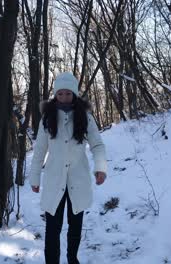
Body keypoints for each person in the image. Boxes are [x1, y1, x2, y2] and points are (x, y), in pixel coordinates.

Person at [29, 72, 107, 264]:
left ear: (74, 94)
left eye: (68, 93)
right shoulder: (47, 118)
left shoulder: (85, 117)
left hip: (78, 180)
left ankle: (73, 259)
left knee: (75, 227)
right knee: (52, 229)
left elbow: (97, 145)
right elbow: (39, 150)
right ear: (55, 94)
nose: (64, 97)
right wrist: (34, 178)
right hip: (54, 180)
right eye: (60, 93)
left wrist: (100, 167)